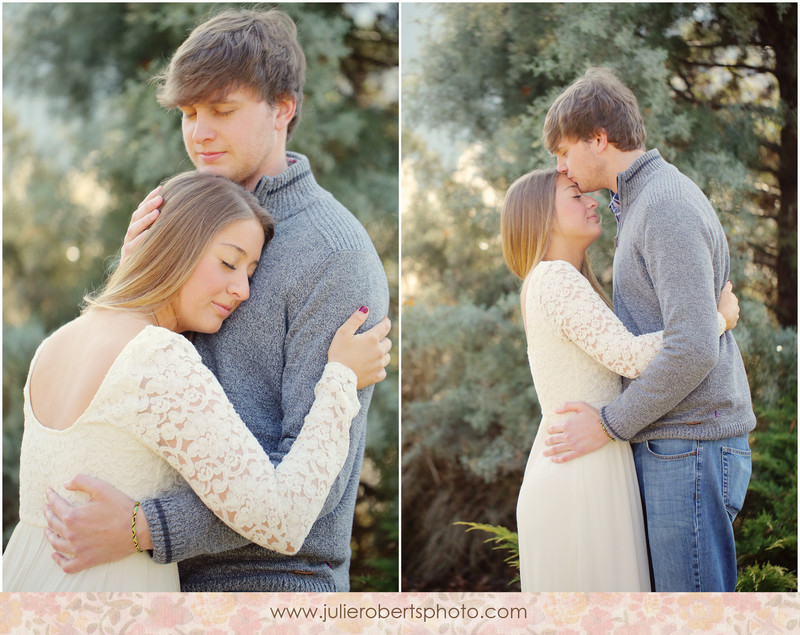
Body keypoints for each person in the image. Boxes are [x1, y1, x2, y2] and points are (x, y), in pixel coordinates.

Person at [42, 8, 391, 592]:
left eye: (222, 111)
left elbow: (313, 487)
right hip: (149, 584)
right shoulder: (179, 218)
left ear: (284, 108)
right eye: (189, 113)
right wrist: (133, 280)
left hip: (266, 586)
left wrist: (146, 527)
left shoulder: (336, 258)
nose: (199, 133)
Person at [3, 171, 391, 591]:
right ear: (174, 246)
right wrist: (340, 382)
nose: (242, 289)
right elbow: (283, 520)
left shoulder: (56, 344)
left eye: (250, 272)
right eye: (228, 263)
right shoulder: (156, 358)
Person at [539, 68, 756, 592]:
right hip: (676, 444)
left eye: (565, 151)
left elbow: (693, 347)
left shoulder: (664, 207)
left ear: (599, 139)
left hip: (689, 445)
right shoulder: (641, 205)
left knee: (694, 621)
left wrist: (610, 424)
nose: (561, 167)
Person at [501, 168, 739, 591]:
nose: (591, 200)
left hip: (586, 455)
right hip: (582, 468)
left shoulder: (558, 280)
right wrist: (715, 320)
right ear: (543, 217)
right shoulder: (555, 279)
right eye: (575, 196)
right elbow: (628, 357)